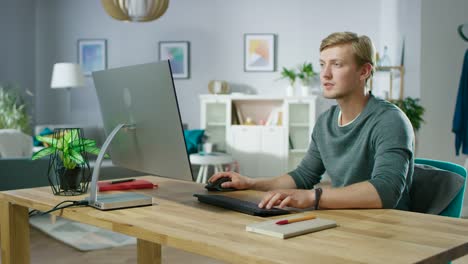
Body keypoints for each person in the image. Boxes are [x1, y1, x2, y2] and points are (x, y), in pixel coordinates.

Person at [209, 32, 414, 211]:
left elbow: (386, 191)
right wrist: (250, 183)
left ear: (364, 71)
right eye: (323, 64)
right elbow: (303, 176)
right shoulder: (326, 122)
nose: (325, 74)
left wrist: (312, 197)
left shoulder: (390, 121)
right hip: (349, 218)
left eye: (337, 64)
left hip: (387, 228)